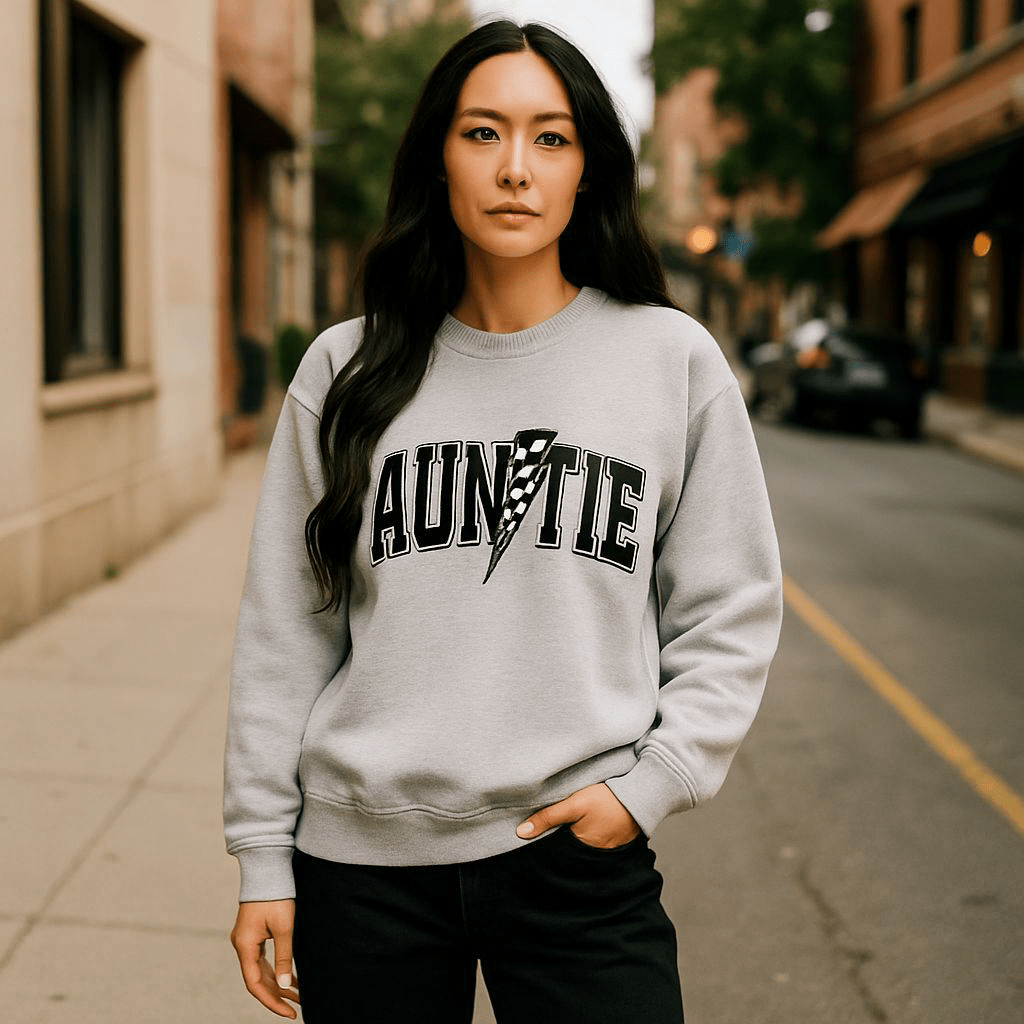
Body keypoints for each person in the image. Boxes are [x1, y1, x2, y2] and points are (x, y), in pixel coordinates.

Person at [224, 19, 782, 1024]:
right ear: (438, 159)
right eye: (482, 133)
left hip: (578, 861)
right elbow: (286, 630)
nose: (515, 169)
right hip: (363, 870)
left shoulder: (669, 359)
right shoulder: (346, 370)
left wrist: (650, 784)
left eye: (550, 138)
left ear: (586, 171)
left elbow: (729, 606)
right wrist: (263, 854)